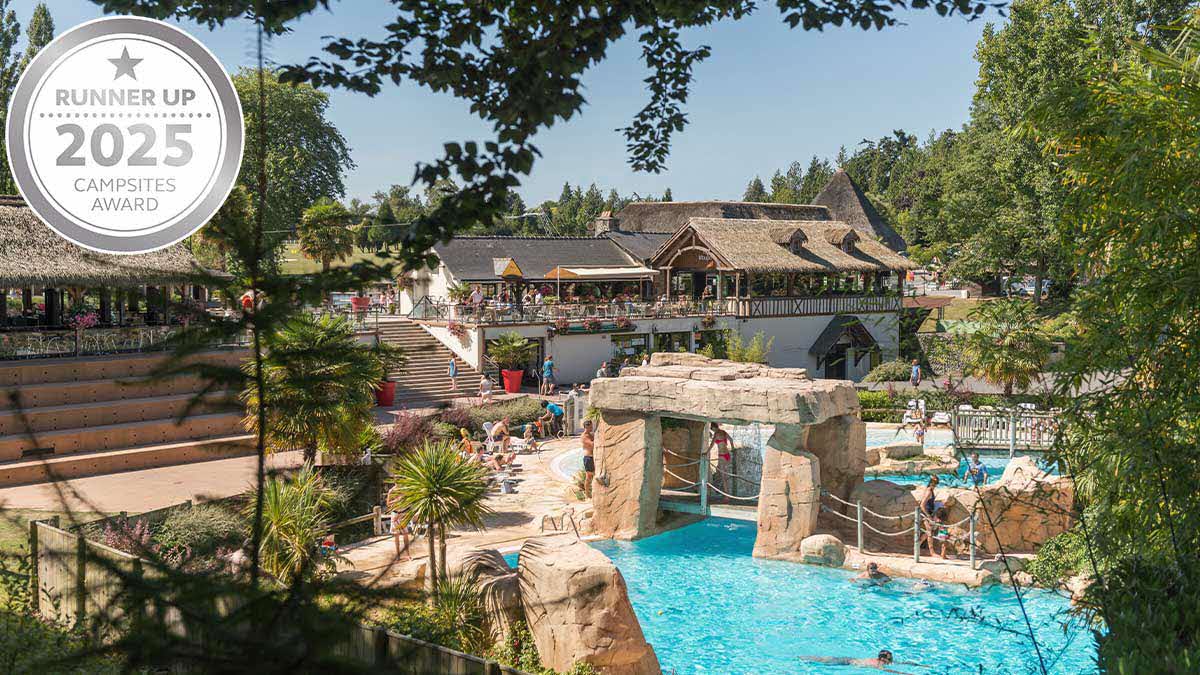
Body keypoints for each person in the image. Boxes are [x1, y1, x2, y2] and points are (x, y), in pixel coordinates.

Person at [385, 485, 413, 560]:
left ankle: (408, 555)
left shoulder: (404, 489)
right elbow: (388, 504)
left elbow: (408, 502)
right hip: (395, 514)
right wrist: (394, 498)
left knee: (405, 534)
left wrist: (403, 513)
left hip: (403, 514)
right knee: (396, 535)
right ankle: (398, 556)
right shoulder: (392, 491)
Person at [800, 650, 895, 670]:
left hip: (849, 659)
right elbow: (888, 670)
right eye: (889, 658)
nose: (891, 660)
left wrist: (904, 663)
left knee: (826, 659)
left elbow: (893, 663)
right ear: (882, 659)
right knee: (824, 662)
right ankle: (805, 659)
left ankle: (805, 657)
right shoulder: (878, 664)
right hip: (846, 663)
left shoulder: (877, 660)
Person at [581, 419, 595, 497]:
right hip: (588, 458)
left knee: (592, 475)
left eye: (592, 426)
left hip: (593, 457)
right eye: (590, 427)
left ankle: (590, 492)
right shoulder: (584, 436)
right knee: (589, 477)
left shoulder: (591, 434)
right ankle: (587, 493)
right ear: (586, 427)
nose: (591, 428)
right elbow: (592, 444)